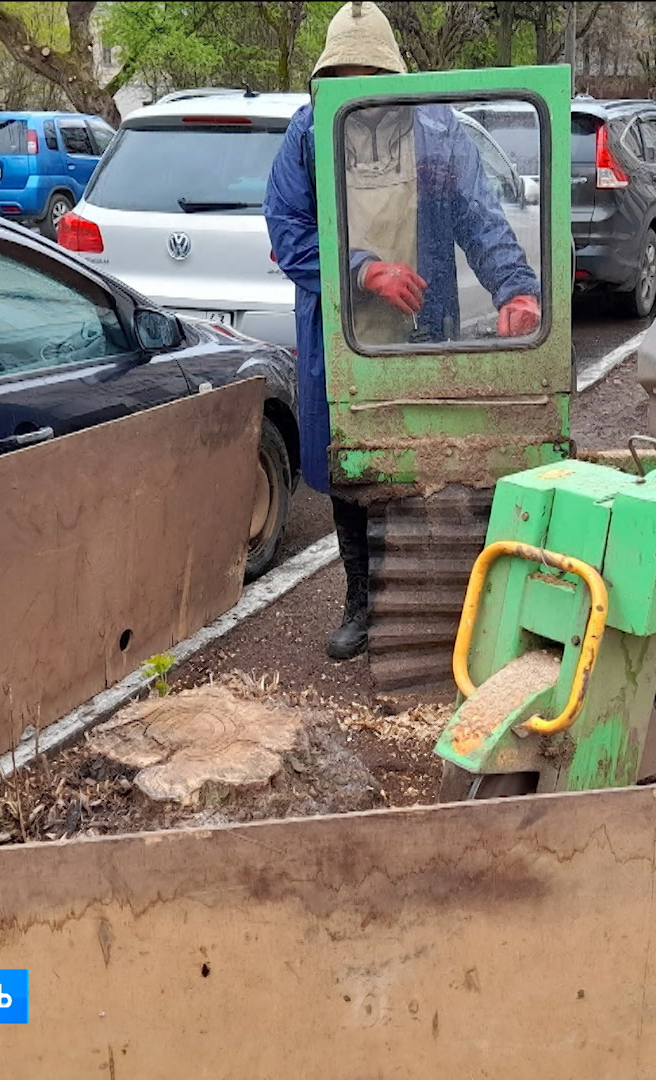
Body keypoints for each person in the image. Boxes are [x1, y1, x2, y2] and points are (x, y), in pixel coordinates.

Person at [264, 1, 542, 661]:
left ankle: (432, 606)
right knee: (352, 467)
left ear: (392, 74)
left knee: (427, 465)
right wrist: (366, 272)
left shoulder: (440, 133)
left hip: (425, 333)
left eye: (370, 76)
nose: (359, 89)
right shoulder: (306, 137)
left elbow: (480, 220)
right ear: (326, 80)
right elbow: (288, 237)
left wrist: (517, 288)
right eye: (345, 77)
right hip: (341, 337)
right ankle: (361, 602)